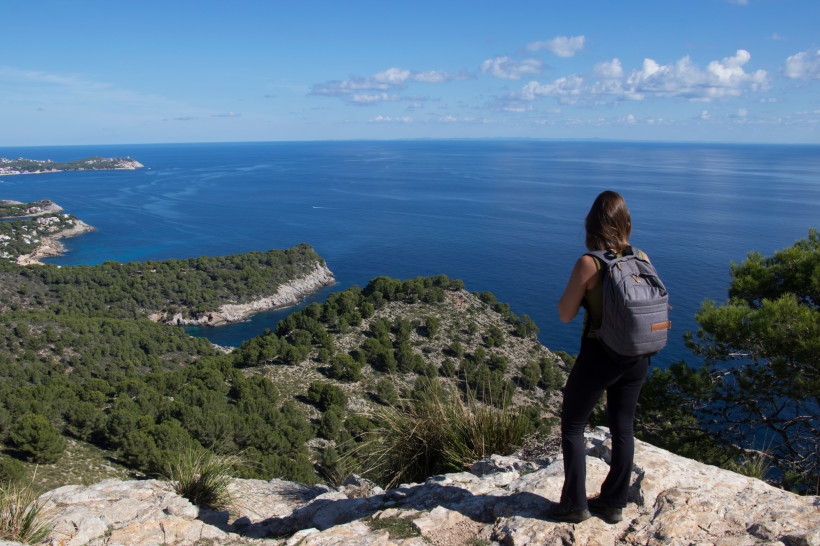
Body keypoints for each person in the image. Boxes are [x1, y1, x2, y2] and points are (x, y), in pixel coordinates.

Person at [551, 190, 651, 524]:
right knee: (623, 426)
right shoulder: (641, 257)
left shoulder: (589, 263)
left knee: (573, 425)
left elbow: (565, 314)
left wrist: (586, 297)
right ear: (626, 223)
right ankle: (613, 502)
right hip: (638, 355)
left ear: (591, 224)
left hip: (600, 354)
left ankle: (574, 504)